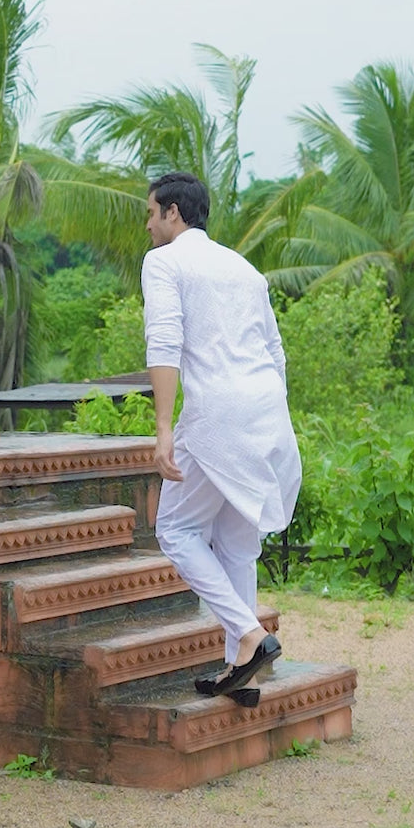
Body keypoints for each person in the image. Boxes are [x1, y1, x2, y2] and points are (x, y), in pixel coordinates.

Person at [142, 170, 301, 698]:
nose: (148, 225)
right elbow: (276, 353)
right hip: (265, 409)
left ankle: (251, 633)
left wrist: (164, 427)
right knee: (236, 541)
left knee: (176, 531)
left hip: (216, 415)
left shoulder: (165, 261)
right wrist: (269, 413)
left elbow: (164, 343)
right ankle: (240, 668)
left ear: (173, 213)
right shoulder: (245, 269)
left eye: (151, 213)